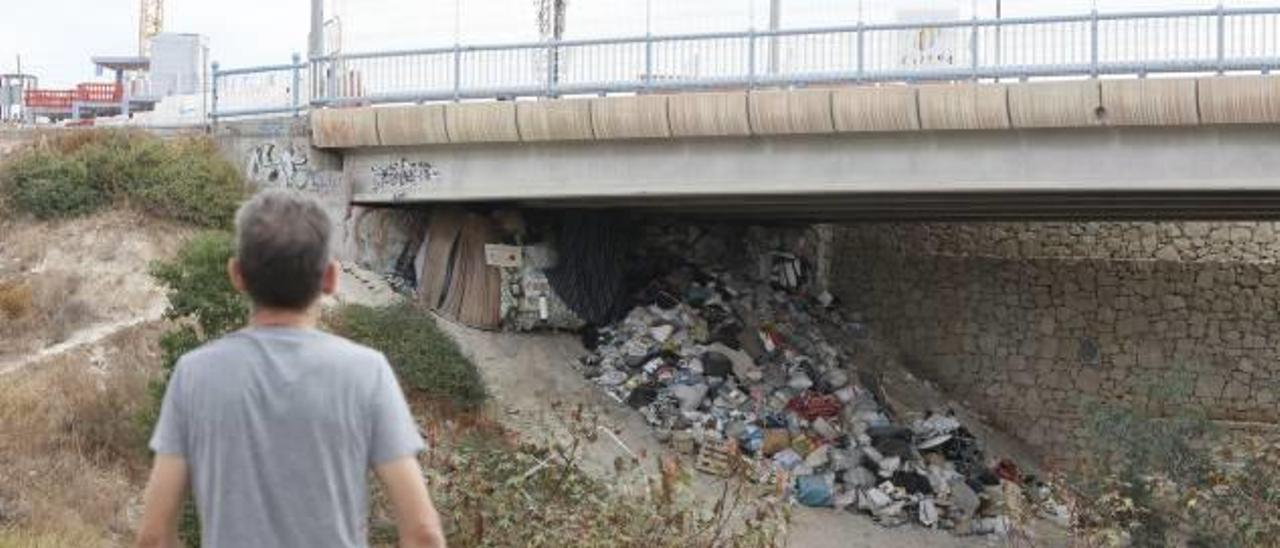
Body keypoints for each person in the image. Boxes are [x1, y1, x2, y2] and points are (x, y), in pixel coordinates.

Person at [136, 190, 445, 548]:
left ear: (237, 275)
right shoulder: (366, 372)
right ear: (330, 278)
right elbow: (423, 533)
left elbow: (154, 537)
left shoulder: (194, 374)